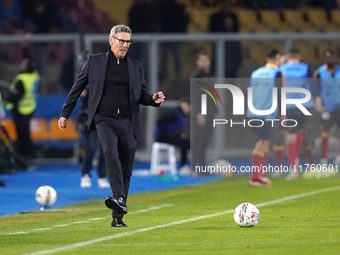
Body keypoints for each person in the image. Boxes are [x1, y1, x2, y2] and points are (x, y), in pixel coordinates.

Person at [58, 24, 165, 228]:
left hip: (128, 121)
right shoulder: (94, 62)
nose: (125, 45)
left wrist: (152, 99)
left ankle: (118, 215)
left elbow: (140, 95)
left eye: (128, 42)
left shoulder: (135, 66)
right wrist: (65, 113)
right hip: (104, 119)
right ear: (111, 40)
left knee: (126, 170)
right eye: (121, 41)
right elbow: (76, 88)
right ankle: (118, 196)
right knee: (109, 152)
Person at [246, 48, 284, 187]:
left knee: (264, 143)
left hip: (252, 113)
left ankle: (262, 175)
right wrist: (283, 114)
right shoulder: (277, 73)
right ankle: (255, 178)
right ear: (278, 58)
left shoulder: (255, 73)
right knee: (261, 144)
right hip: (266, 114)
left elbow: (247, 91)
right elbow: (280, 94)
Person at [277, 47, 315, 179]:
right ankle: (298, 163)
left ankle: (294, 168)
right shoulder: (305, 67)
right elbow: (312, 84)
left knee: (289, 137)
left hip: (288, 105)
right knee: (299, 133)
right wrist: (317, 99)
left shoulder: (282, 68)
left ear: (288, 56)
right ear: (298, 56)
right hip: (304, 105)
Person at [6, 45, 39, 169]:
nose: (22, 63)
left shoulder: (22, 79)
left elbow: (14, 97)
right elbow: (30, 60)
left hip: (20, 110)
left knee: (23, 136)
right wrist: (26, 47)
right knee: (25, 135)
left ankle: (26, 161)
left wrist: (6, 100)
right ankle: (28, 159)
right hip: (30, 108)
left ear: (26, 67)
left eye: (24, 63)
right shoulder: (34, 75)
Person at [77, 88, 110, 188]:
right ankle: (85, 174)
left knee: (105, 149)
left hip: (106, 118)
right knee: (90, 148)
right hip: (90, 119)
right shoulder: (90, 80)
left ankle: (102, 176)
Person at [313, 49, 340, 167]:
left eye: (332, 57)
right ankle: (323, 160)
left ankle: (339, 157)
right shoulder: (319, 72)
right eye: (328, 58)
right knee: (325, 133)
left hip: (338, 105)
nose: (331, 60)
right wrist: (319, 102)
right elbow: (315, 89)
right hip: (326, 107)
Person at [190, 51, 216, 174]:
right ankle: (196, 166)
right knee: (198, 140)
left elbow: (212, 95)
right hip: (200, 112)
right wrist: (199, 112)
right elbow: (195, 96)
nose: (205, 63)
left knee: (205, 140)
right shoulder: (196, 76)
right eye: (202, 60)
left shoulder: (210, 76)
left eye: (206, 60)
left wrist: (216, 111)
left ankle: (202, 165)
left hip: (209, 111)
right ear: (197, 62)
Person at [155, 98, 190, 174]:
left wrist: (179, 134)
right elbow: (160, 122)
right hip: (162, 136)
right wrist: (167, 134)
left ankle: (184, 165)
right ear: (183, 104)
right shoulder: (174, 113)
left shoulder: (182, 115)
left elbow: (175, 128)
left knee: (186, 141)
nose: (189, 109)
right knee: (185, 142)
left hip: (169, 135)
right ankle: (183, 166)